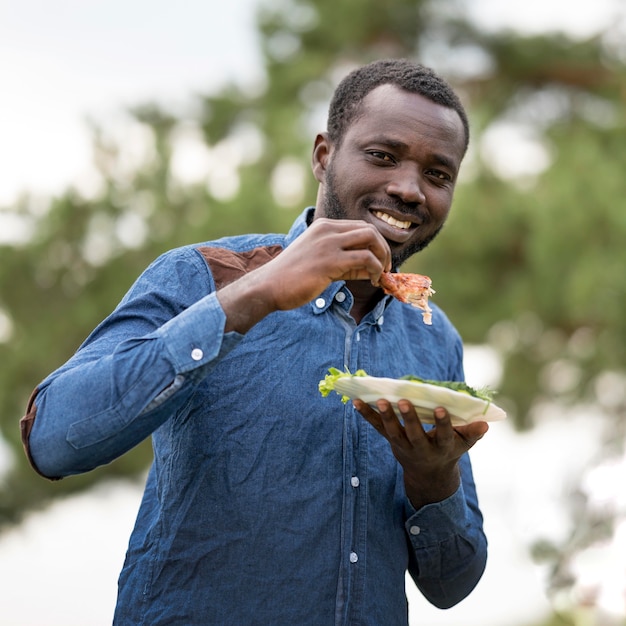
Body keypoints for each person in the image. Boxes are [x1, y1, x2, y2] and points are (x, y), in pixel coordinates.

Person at [20, 58, 489, 625]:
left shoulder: (435, 341)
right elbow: (52, 440)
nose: (408, 189)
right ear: (323, 155)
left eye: (438, 174)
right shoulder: (200, 274)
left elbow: (452, 585)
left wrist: (432, 476)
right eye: (383, 156)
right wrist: (257, 293)